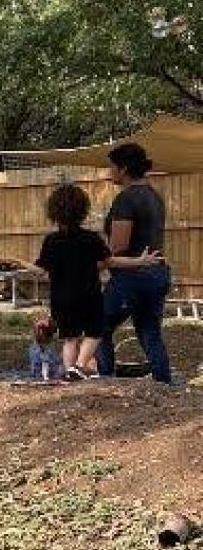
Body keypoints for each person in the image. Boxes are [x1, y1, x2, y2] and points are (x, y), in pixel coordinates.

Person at [22, 184, 161, 380]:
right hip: (87, 296)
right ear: (83, 211)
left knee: (70, 338)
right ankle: (78, 367)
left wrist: (19, 263)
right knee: (96, 332)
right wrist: (140, 261)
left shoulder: (51, 241)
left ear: (54, 213)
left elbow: (40, 270)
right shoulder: (90, 238)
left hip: (60, 299)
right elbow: (110, 261)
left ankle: (70, 374)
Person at [96, 143, 173, 383]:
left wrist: (93, 261)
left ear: (124, 168)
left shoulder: (126, 199)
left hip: (133, 277)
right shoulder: (154, 196)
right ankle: (164, 384)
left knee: (98, 326)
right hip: (157, 274)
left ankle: (106, 381)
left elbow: (118, 246)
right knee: (149, 331)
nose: (110, 172)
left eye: (112, 167)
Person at [28, 317, 62, 381]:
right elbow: (45, 363)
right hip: (51, 375)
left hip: (37, 374)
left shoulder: (33, 348)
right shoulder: (52, 349)